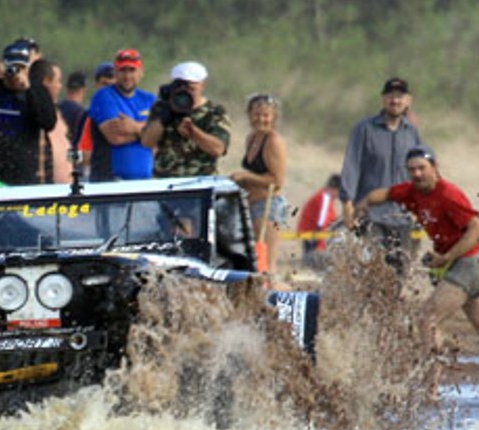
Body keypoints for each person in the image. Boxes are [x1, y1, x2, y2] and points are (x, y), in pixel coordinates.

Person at [356, 146, 479, 403]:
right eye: (412, 169)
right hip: (460, 267)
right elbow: (379, 194)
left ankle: (430, 390)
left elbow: (476, 229)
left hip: (467, 265)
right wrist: (358, 208)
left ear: (435, 168)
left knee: (426, 318)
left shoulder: (449, 195)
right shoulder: (410, 191)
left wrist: (446, 256)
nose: (417, 174)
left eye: (422, 169)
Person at [340, 77, 425, 262]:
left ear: (408, 100)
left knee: (401, 270)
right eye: (390, 96)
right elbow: (351, 166)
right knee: (374, 268)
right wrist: (347, 203)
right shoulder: (364, 130)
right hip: (371, 215)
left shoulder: (412, 133)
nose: (395, 101)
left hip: (403, 216)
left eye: (399, 96)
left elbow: (421, 172)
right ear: (383, 99)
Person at [0, 39, 58, 187]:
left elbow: (49, 123)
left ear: (28, 68)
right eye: (12, 66)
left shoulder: (37, 92)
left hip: (23, 180)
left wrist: (28, 88)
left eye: (20, 67)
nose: (15, 72)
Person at [231, 93, 290, 274]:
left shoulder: (273, 141)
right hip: (252, 203)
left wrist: (245, 177)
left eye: (266, 115)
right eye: (257, 114)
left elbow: (277, 180)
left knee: (266, 264)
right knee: (253, 260)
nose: (261, 119)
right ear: (249, 115)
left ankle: (270, 296)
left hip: (269, 207)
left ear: (273, 117)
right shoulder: (251, 138)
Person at [141, 61, 229, 177]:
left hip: (200, 180)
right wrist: (162, 120)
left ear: (202, 85)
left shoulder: (214, 112)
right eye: (181, 87)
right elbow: (147, 142)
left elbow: (218, 149)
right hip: (165, 180)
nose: (187, 92)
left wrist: (193, 133)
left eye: (192, 88)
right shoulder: (161, 107)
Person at [87, 47, 155, 181]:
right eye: (122, 70)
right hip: (110, 181)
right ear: (116, 73)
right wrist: (148, 131)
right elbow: (115, 137)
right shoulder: (104, 96)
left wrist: (134, 127)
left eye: (132, 70)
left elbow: (161, 136)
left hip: (145, 182)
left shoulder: (149, 99)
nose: (127, 76)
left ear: (141, 72)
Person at [32, 59, 72, 182]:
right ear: (46, 82)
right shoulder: (35, 113)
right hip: (43, 190)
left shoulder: (59, 112)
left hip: (64, 190)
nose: (60, 86)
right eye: (57, 81)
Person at [297, 174, 345, 267]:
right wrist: (319, 243)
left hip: (313, 234)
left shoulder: (325, 197)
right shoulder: (325, 198)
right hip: (313, 236)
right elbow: (321, 222)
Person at [59, 69, 90, 153]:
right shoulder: (82, 113)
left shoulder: (56, 108)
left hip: (56, 157)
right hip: (73, 158)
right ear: (84, 89)